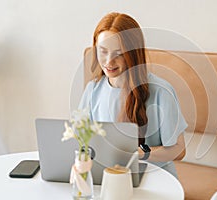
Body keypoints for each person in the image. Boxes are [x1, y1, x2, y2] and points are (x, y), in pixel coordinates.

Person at [78, 12, 187, 178]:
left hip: (156, 179)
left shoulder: (161, 92)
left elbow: (179, 150)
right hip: (112, 177)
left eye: (119, 53)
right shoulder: (92, 90)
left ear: (133, 53)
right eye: (103, 51)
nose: (108, 61)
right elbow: (82, 140)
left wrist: (141, 153)